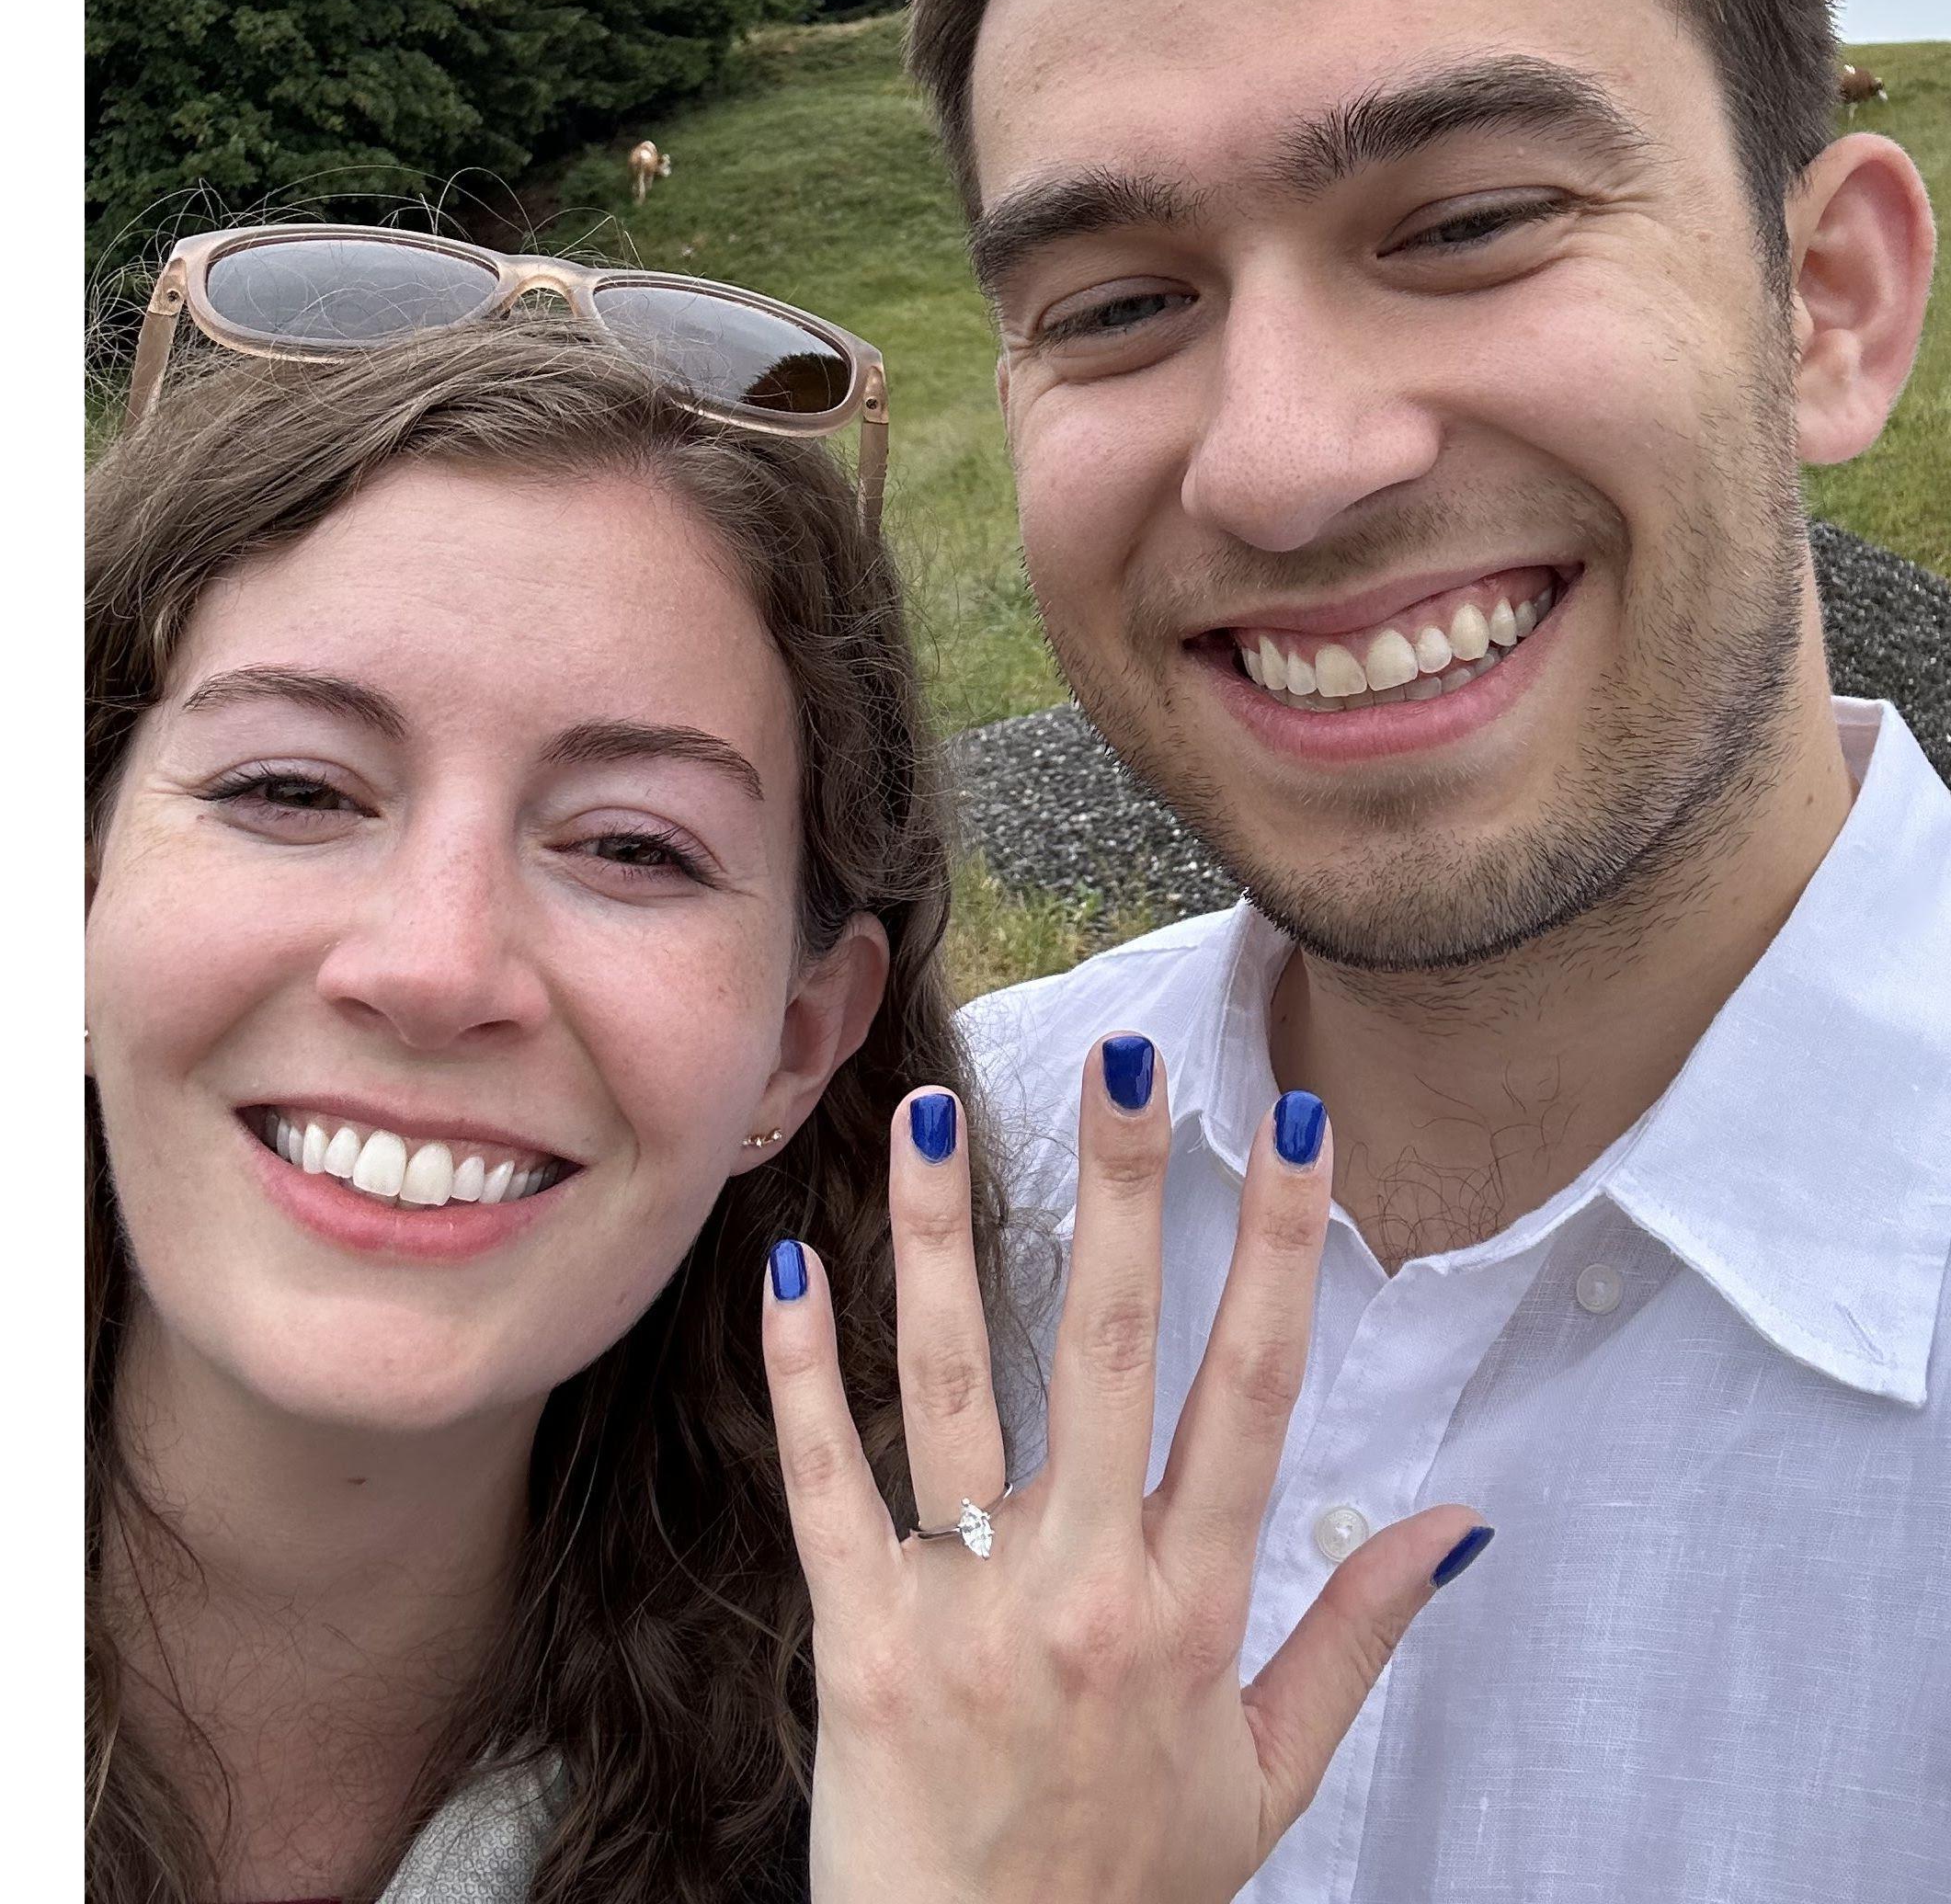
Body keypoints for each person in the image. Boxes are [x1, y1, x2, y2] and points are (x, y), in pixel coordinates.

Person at [909, 0, 1951, 1901]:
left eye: (1471, 221)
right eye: (1114, 302)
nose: (1285, 463)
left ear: (1828, 304)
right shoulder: (907, 1196)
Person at [85, 271, 1490, 1904]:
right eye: (290, 789)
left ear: (800, 1043)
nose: (435, 965)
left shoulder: (889, 1793)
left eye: (631, 846)